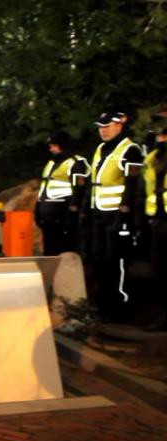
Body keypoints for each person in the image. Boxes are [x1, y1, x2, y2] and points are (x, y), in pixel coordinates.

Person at [82, 112, 144, 322]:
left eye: (107, 126)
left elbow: (133, 186)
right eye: (100, 126)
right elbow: (93, 182)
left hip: (117, 216)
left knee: (117, 261)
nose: (103, 130)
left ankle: (120, 308)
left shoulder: (130, 150)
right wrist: (85, 210)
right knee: (99, 260)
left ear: (119, 125)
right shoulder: (100, 148)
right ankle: (102, 305)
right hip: (98, 214)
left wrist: (125, 216)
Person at [34, 131, 90, 256]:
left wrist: (73, 210)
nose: (51, 149)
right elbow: (45, 185)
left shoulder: (76, 162)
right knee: (50, 251)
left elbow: (79, 189)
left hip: (64, 214)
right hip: (48, 217)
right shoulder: (52, 163)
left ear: (63, 145)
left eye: (54, 146)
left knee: (65, 249)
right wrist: (38, 207)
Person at [140, 127, 167, 330]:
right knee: (159, 269)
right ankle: (162, 316)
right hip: (158, 220)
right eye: (160, 135)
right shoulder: (152, 158)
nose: (160, 138)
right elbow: (145, 186)